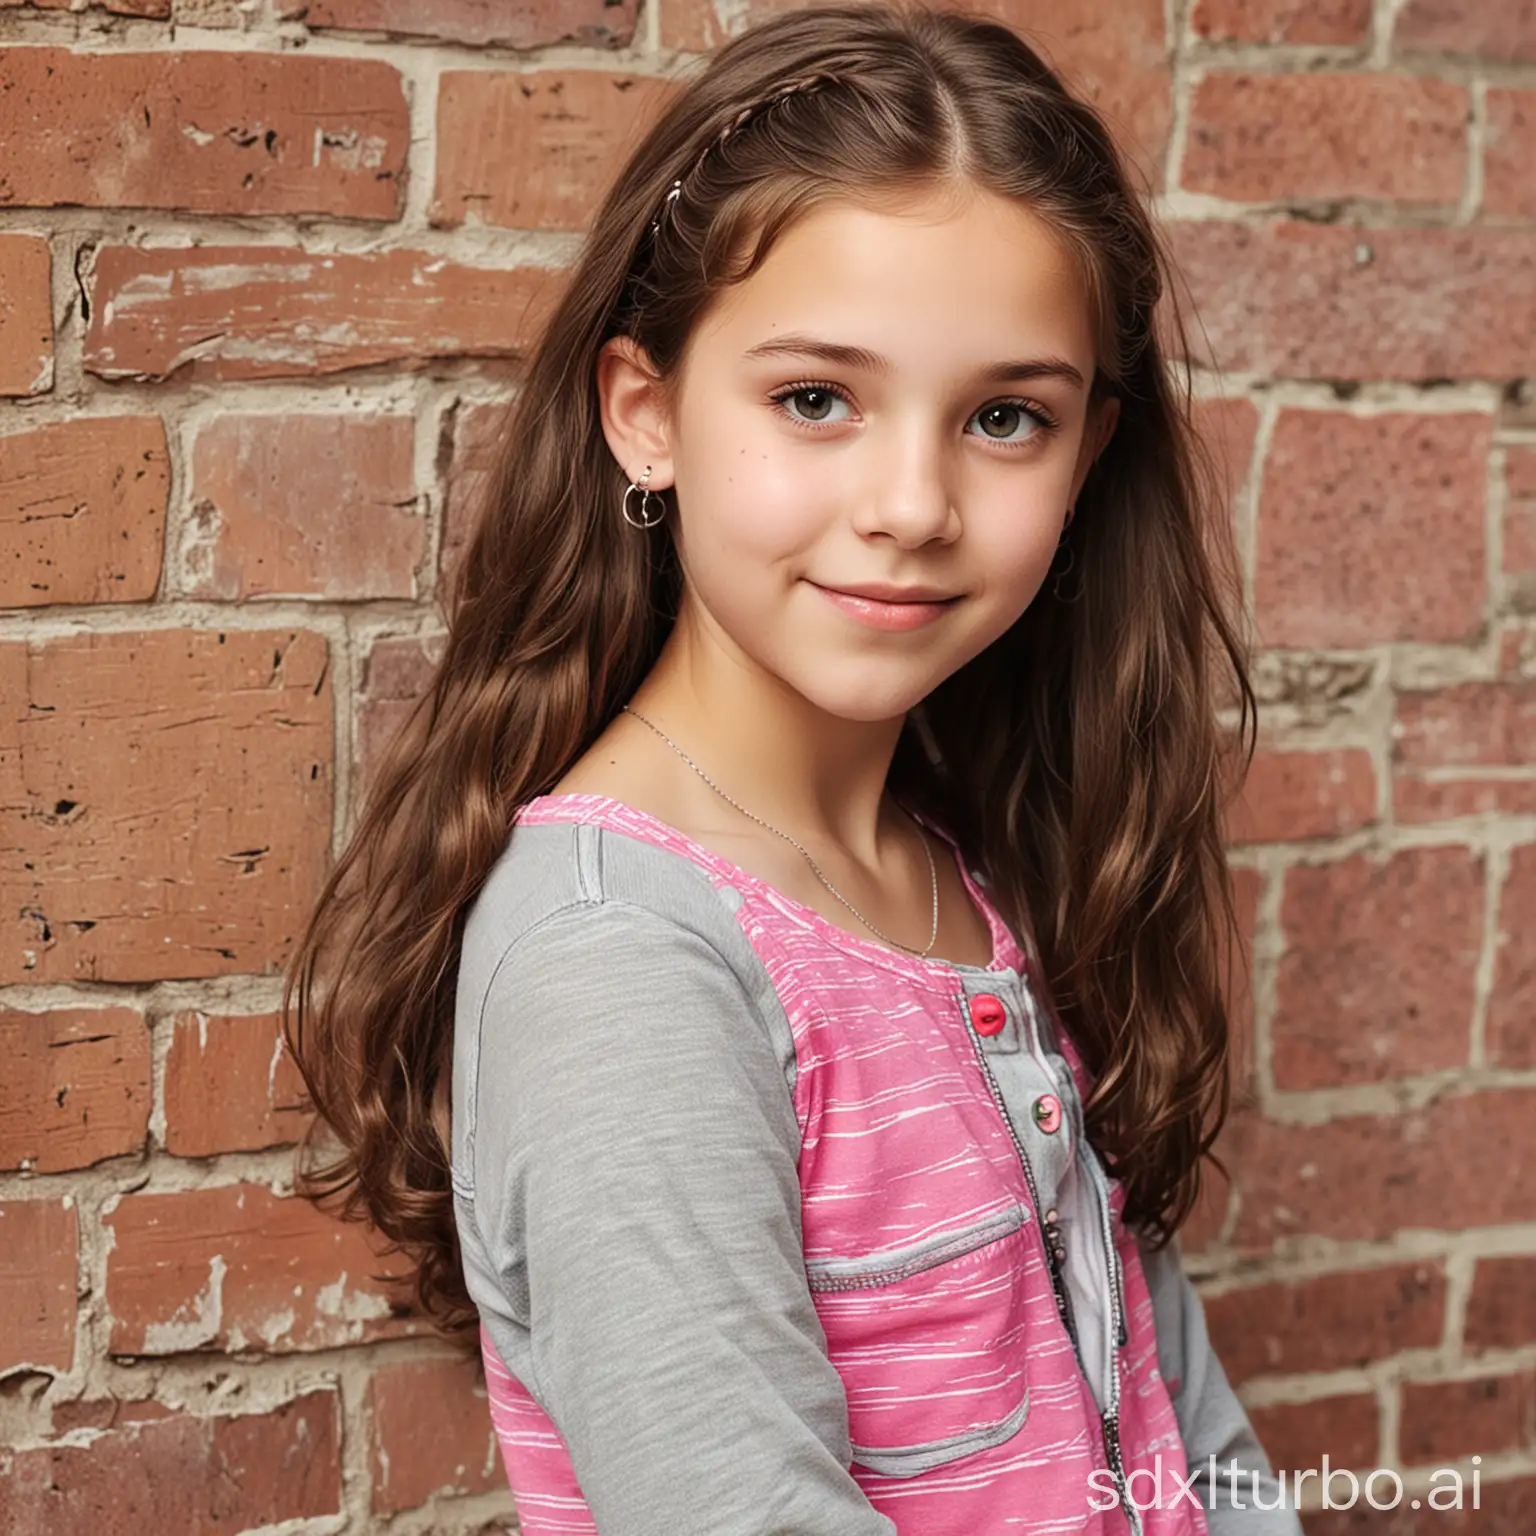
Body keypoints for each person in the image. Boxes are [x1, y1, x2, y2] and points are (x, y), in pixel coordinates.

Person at [284, 5, 1304, 1532]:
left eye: (1005, 418)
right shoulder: (619, 959)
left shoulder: (976, 874)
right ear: (648, 416)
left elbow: (1189, 1444)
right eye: (816, 398)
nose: (912, 502)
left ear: (1088, 459)